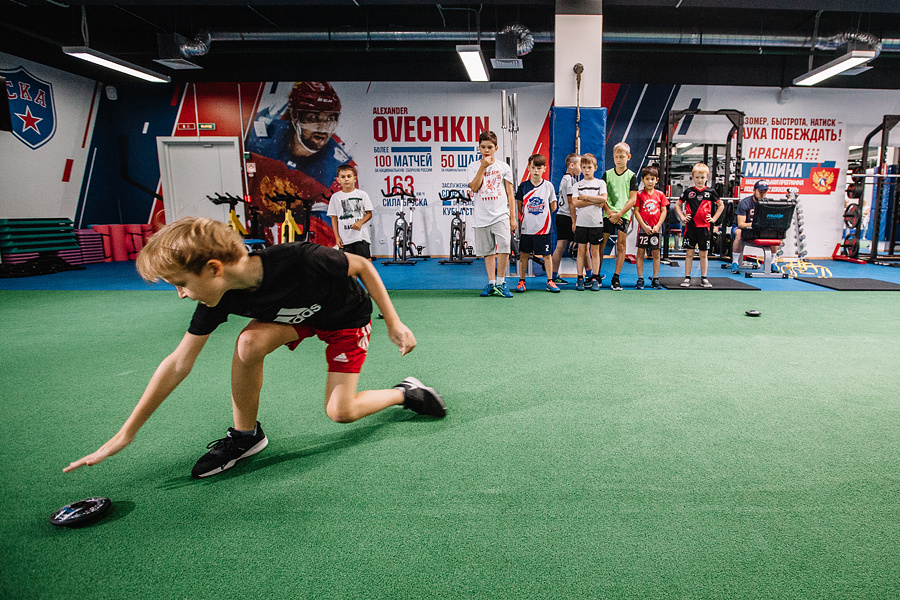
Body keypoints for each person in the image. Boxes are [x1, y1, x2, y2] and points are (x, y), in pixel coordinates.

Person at [63, 217, 445, 479]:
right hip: (297, 317)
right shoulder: (220, 296)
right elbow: (179, 362)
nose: (181, 295)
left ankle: (404, 392)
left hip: (345, 319)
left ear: (214, 268)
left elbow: (361, 265)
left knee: (341, 412)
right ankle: (246, 436)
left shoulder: (302, 260)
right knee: (248, 342)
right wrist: (126, 433)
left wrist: (393, 322)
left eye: (180, 283)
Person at [246, 81, 352, 247]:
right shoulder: (259, 139)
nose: (323, 128)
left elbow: (328, 228)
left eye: (330, 119)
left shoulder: (338, 167)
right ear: (295, 116)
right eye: (314, 118)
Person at [467, 130, 517, 298]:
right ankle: (491, 283)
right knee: (487, 251)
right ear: (479, 148)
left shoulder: (504, 167)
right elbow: (474, 188)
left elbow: (510, 194)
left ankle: (502, 282)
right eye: (483, 147)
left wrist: (513, 217)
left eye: (489, 147)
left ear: (496, 148)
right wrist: (483, 167)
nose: (486, 150)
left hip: (501, 214)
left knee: (504, 248)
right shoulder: (473, 166)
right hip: (482, 216)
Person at [514, 153, 560, 293]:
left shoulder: (548, 186)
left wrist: (542, 217)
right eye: (533, 167)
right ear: (528, 168)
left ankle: (550, 281)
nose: (536, 171)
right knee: (524, 255)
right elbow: (520, 207)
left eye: (539, 168)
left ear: (544, 169)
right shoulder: (523, 187)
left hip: (544, 229)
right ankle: (521, 281)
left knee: (547, 256)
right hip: (527, 229)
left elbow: (553, 206)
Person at [674, 163, 724, 288]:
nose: (700, 180)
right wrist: (682, 217)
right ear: (693, 177)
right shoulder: (689, 192)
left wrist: (713, 218)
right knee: (689, 253)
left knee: (703, 254)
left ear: (707, 177)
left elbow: (721, 205)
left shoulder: (711, 192)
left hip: (705, 228)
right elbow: (677, 205)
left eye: (702, 177)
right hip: (691, 227)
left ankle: (704, 278)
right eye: (697, 177)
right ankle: (687, 278)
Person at [600, 142, 639, 291]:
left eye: (622, 157)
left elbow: (633, 199)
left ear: (628, 157)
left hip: (623, 215)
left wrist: (619, 214)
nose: (618, 159)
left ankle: (616, 278)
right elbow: (602, 196)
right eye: (616, 156)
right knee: (601, 245)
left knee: (621, 245)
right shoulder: (607, 174)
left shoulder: (631, 176)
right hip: (607, 214)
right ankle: (596, 275)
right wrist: (610, 212)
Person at [570, 153, 608, 291]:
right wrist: (594, 200)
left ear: (595, 168)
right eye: (584, 167)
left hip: (596, 223)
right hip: (581, 223)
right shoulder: (577, 185)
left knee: (595, 251)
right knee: (581, 251)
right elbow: (575, 203)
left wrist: (585, 197)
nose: (586, 170)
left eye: (589, 167)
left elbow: (603, 200)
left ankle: (595, 278)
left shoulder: (600, 183)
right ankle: (580, 277)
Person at [633, 166, 669, 290]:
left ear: (656, 180)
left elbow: (664, 211)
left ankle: (655, 278)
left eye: (652, 179)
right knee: (640, 253)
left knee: (656, 253)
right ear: (642, 180)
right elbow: (636, 212)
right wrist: (644, 225)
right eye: (647, 179)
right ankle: (640, 278)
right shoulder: (639, 195)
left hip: (656, 229)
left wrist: (658, 225)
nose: (650, 181)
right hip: (643, 229)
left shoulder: (660, 195)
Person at [327, 164, 374, 259]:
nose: (346, 179)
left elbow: (369, 214)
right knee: (348, 266)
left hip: (361, 237)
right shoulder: (335, 197)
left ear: (355, 178)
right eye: (343, 177)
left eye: (349, 176)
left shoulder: (362, 194)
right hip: (345, 238)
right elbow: (334, 218)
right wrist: (337, 237)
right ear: (338, 180)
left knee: (365, 263)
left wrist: (360, 223)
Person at [550, 153, 581, 285]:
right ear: (572, 165)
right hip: (566, 216)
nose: (581, 168)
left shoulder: (569, 179)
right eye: (580, 165)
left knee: (561, 246)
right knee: (562, 246)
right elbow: (570, 201)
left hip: (564, 216)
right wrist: (574, 221)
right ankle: (552, 275)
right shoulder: (568, 180)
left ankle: (553, 275)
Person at [731, 180, 769, 272]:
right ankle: (735, 262)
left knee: (774, 234)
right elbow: (741, 224)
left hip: (758, 230)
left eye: (764, 192)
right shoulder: (745, 203)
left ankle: (772, 263)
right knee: (739, 233)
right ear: (754, 190)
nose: (762, 194)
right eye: (760, 192)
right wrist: (755, 224)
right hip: (741, 229)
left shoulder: (768, 204)